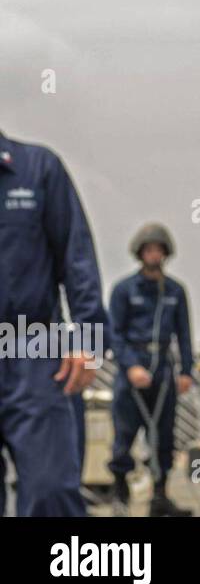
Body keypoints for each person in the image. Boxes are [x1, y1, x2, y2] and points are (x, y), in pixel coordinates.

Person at [0, 130, 105, 516]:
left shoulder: (38, 169)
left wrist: (88, 342)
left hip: (33, 347)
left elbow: (76, 258)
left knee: (51, 490)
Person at [107, 223, 195, 517]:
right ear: (140, 253)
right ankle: (120, 494)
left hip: (163, 374)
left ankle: (159, 497)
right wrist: (130, 367)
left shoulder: (175, 291)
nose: (154, 254)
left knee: (163, 436)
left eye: (158, 249)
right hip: (132, 374)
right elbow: (115, 335)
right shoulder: (123, 290)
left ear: (165, 253)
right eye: (149, 250)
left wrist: (186, 370)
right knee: (124, 435)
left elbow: (184, 333)